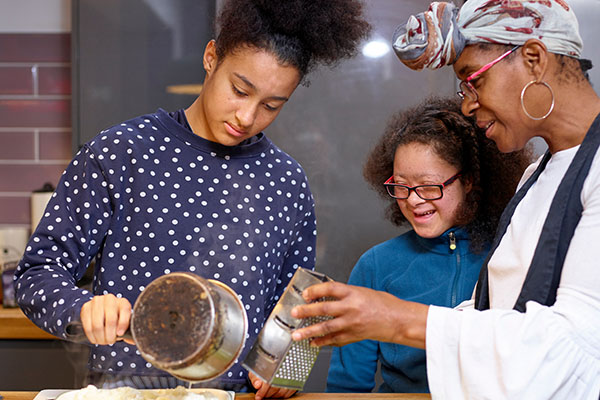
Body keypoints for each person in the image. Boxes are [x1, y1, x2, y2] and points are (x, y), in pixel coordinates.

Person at [13, 0, 370, 397]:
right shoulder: (120, 152)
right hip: (125, 392)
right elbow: (37, 273)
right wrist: (82, 308)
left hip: (232, 395)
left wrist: (284, 368)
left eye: (271, 105)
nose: (247, 117)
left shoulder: (286, 182)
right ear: (211, 56)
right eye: (240, 90)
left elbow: (293, 310)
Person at [291, 1, 600, 399]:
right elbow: (499, 317)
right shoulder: (536, 177)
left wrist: (396, 319)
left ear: (534, 59)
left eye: (474, 79)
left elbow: (576, 349)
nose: (469, 105)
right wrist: (373, 314)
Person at [325, 97, 532, 393]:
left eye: (428, 186)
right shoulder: (375, 266)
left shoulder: (510, 254)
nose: (412, 199)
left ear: (469, 181)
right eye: (401, 185)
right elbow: (346, 388)